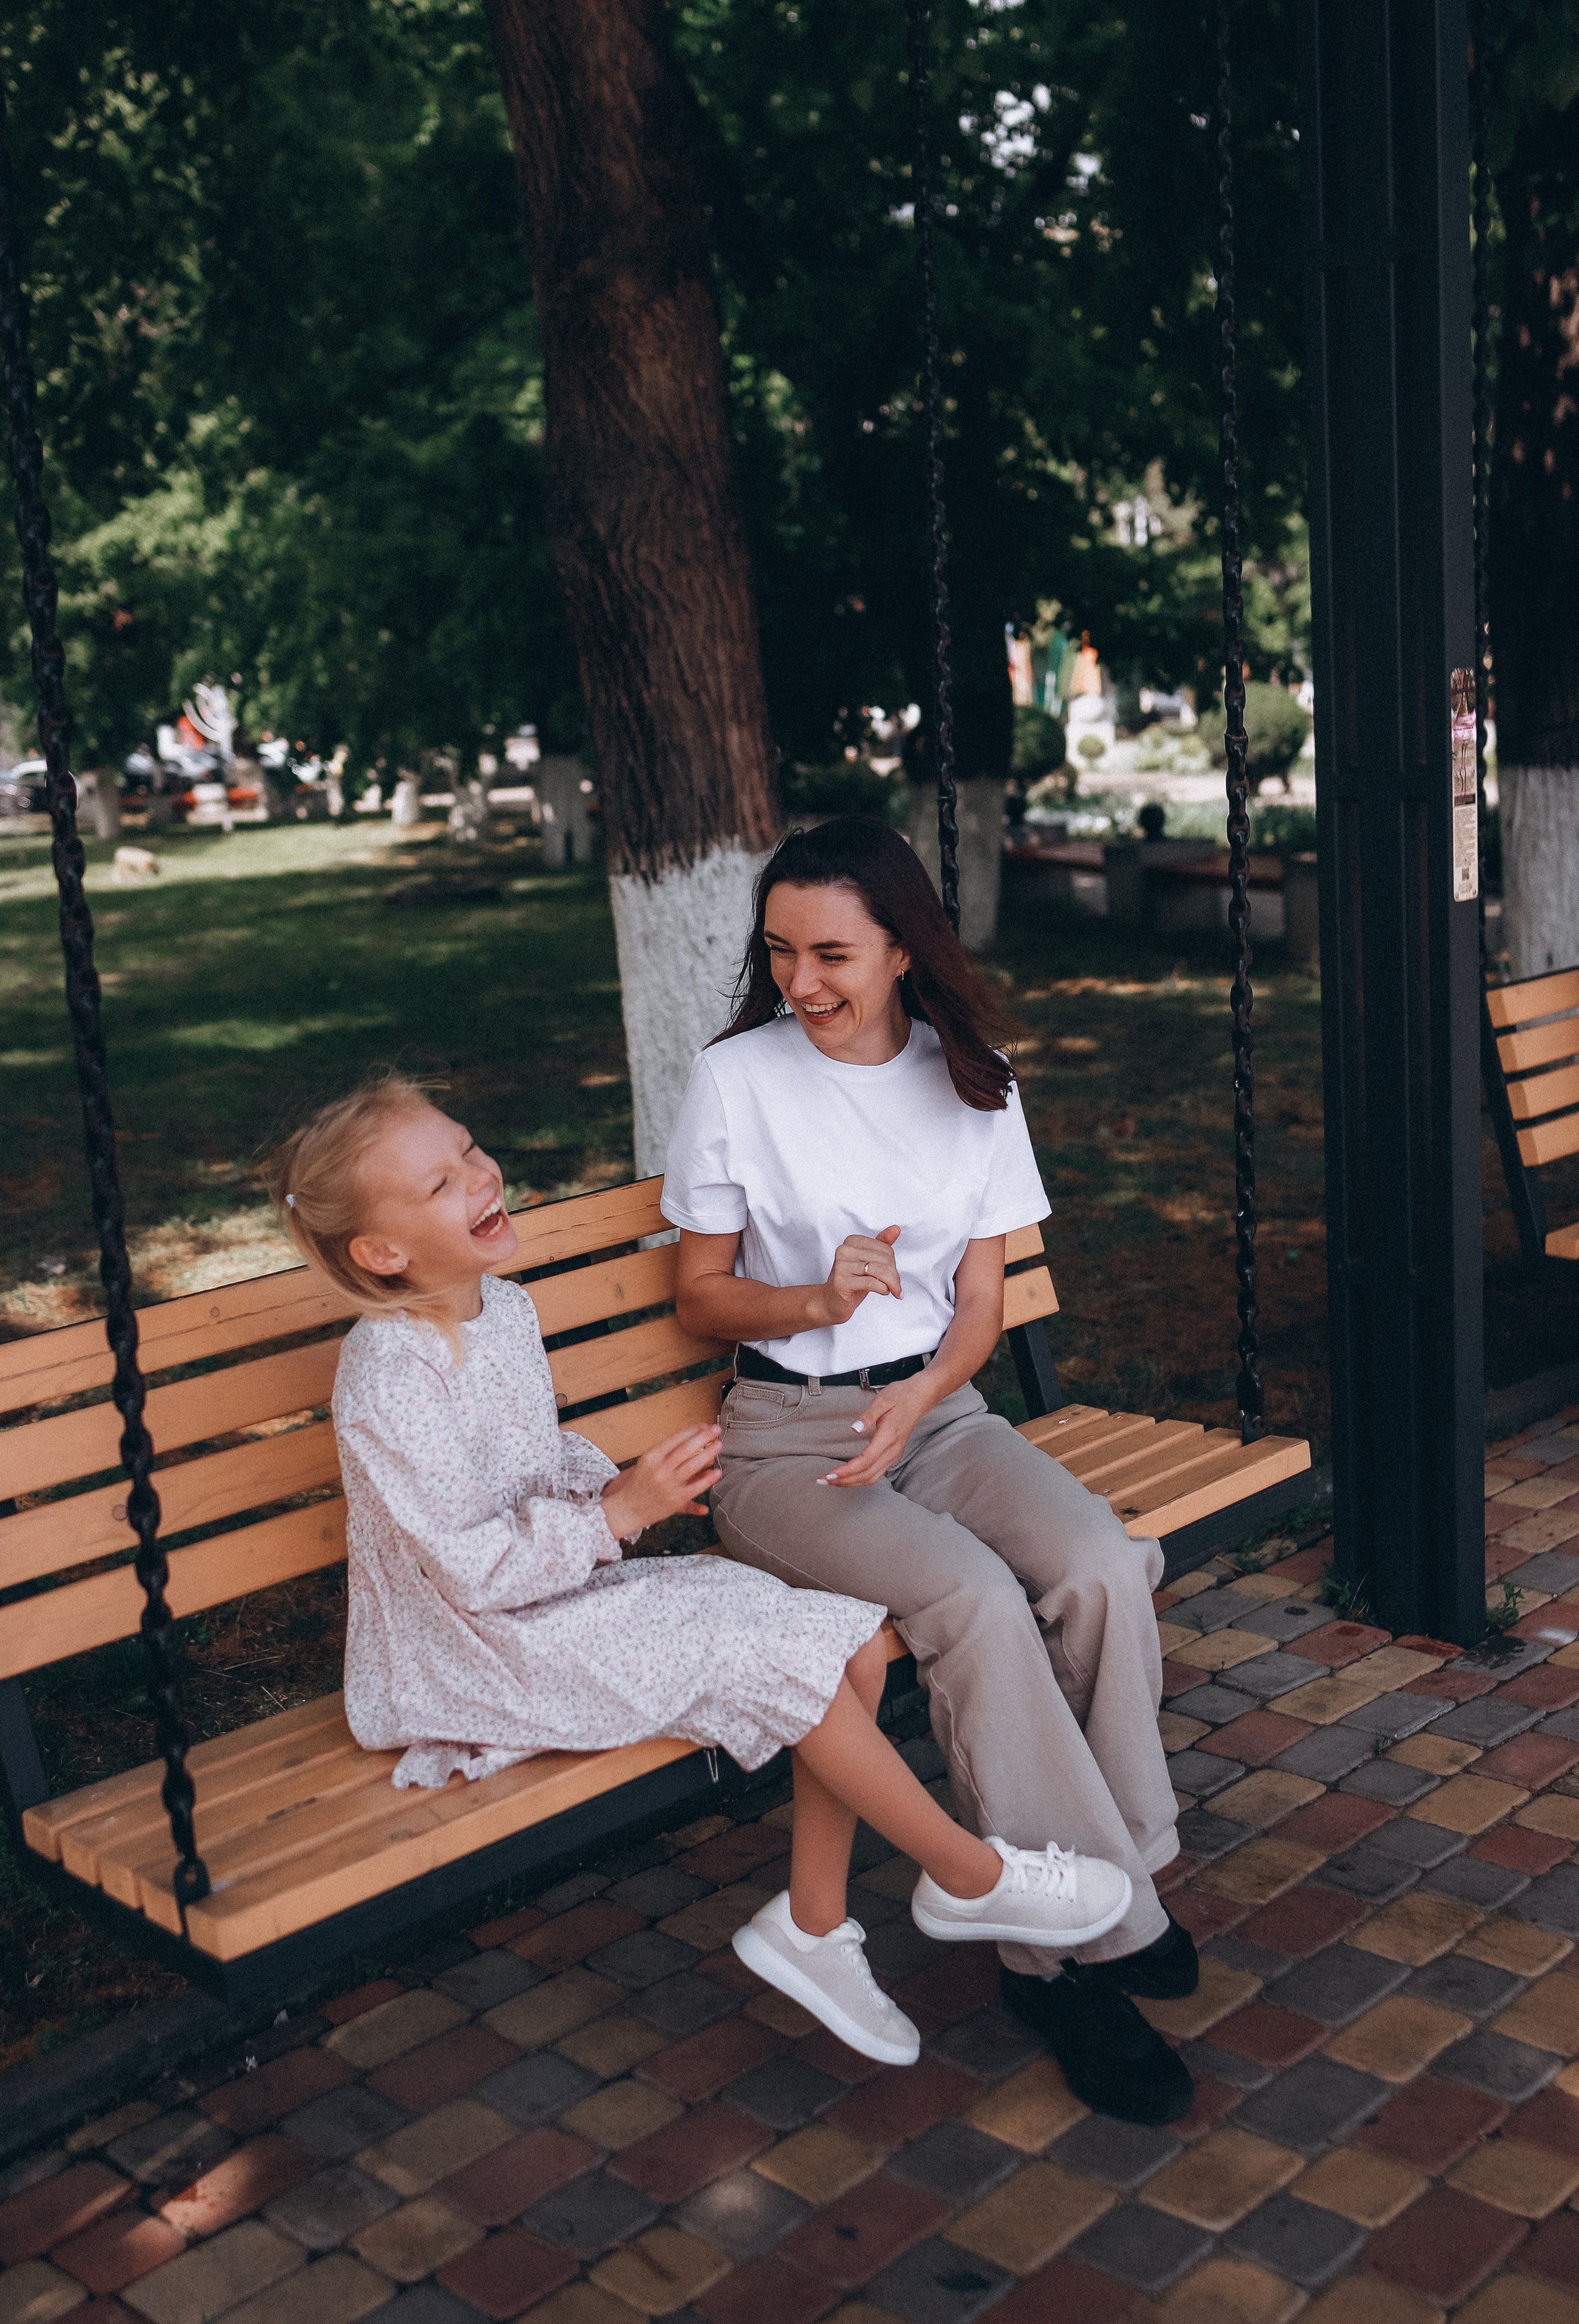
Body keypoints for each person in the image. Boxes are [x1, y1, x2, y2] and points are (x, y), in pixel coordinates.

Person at [267, 1074, 1136, 2067]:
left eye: (468, 1149)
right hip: (466, 1645)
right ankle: (969, 1874)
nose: (479, 1175)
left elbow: (533, 1463)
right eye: (438, 1184)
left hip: (546, 1592)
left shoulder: (500, 1311)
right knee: (750, 1645)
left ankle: (811, 1926)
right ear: (380, 1254)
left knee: (839, 1630)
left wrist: (628, 1486)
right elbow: (465, 1566)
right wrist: (615, 1513)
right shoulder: (388, 1374)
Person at [662, 816, 1198, 2125]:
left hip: (934, 1417)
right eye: (781, 950)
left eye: (832, 951)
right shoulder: (737, 1079)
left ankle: (1114, 1881)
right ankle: (1061, 1957)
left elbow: (979, 1301)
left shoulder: (974, 1078)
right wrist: (804, 1303)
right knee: (970, 1600)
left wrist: (921, 1394)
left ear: (903, 947)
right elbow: (698, 1300)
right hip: (786, 1444)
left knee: (1094, 1565)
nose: (801, 980)